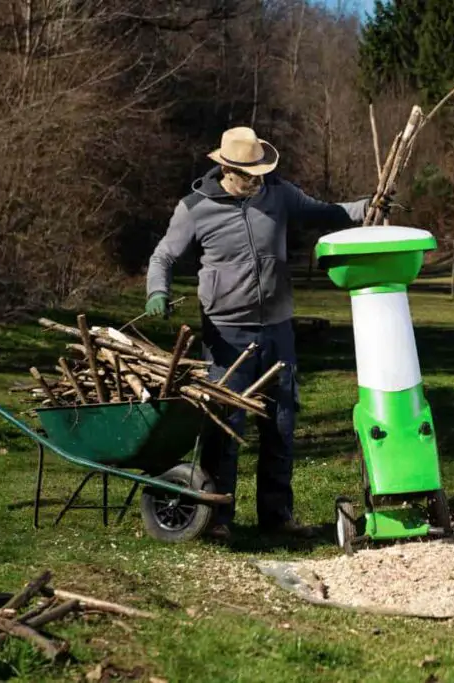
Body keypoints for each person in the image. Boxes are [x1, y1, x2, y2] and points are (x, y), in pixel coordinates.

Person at [144, 126, 381, 541]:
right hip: (226, 333)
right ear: (226, 168)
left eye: (259, 172)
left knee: (281, 422)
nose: (255, 180)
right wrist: (157, 292)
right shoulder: (195, 207)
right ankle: (217, 518)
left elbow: (325, 212)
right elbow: (163, 255)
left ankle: (277, 516)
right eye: (247, 174)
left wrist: (367, 206)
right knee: (224, 426)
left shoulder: (279, 194)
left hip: (277, 329)